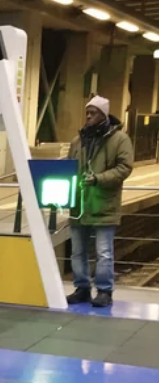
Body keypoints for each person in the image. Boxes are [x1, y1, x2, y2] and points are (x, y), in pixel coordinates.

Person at [67, 95, 134, 308]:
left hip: (104, 202)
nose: (88, 115)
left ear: (104, 114)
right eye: (87, 111)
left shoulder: (120, 140)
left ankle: (105, 291)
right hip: (79, 205)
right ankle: (82, 288)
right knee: (78, 251)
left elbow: (125, 167)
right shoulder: (77, 141)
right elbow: (69, 168)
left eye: (93, 112)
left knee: (104, 251)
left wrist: (98, 179)